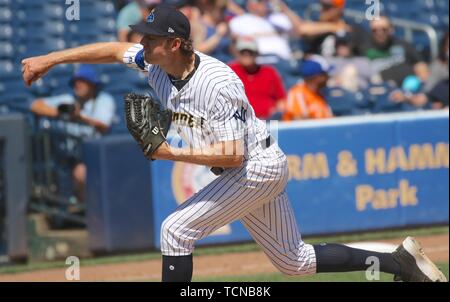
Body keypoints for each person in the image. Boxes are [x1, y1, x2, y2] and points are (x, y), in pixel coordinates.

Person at [22, 4, 447, 282]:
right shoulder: (154, 63)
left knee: (175, 231)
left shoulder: (218, 82)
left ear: (174, 43)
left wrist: (168, 152)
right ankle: (399, 264)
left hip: (254, 165)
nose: (142, 43)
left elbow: (233, 155)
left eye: (151, 38)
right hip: (251, 165)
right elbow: (114, 50)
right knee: (293, 262)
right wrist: (50, 59)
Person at [30, 65, 116, 204]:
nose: (78, 84)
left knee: (82, 172)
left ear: (93, 84)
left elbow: (103, 126)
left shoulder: (104, 100)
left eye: (82, 81)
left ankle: (91, 212)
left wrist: (79, 117)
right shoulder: (68, 99)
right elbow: (35, 105)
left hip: (96, 155)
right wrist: (60, 113)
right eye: (76, 81)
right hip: (66, 155)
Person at [360, 16, 429, 87]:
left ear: (391, 29)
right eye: (375, 30)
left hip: (405, 88)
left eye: (384, 29)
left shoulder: (403, 45)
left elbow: (420, 65)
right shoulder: (363, 49)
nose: (379, 33)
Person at [229, 37, 286, 120]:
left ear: (257, 53)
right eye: (243, 52)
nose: (247, 55)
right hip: (239, 121)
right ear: (237, 53)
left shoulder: (269, 72)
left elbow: (281, 100)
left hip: (268, 120)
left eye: (250, 52)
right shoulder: (230, 71)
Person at [229, 0, 294, 60]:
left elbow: (300, 31)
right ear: (248, 4)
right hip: (257, 61)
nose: (263, 3)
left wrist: (283, 7)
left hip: (282, 60)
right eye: (258, 1)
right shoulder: (238, 21)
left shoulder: (279, 17)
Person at [283, 56, 333, 120]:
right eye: (325, 75)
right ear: (317, 77)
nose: (328, 77)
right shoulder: (298, 93)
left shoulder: (319, 94)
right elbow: (297, 122)